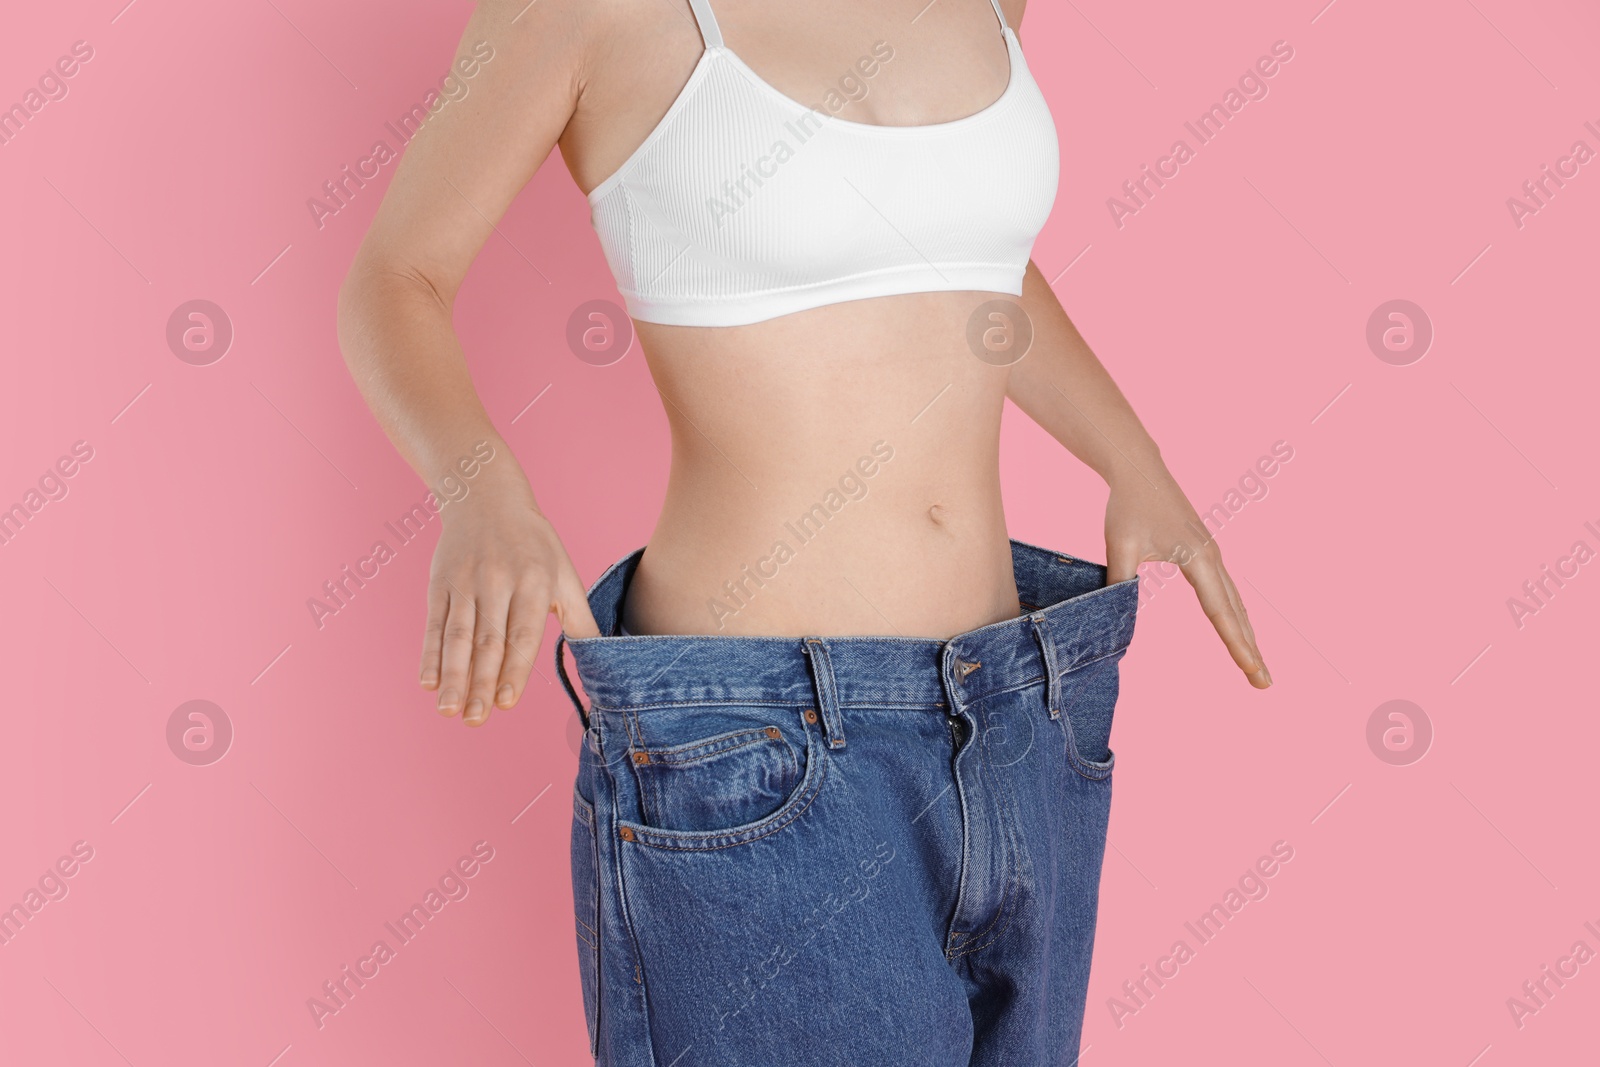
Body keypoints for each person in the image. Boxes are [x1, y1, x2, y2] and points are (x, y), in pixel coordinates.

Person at [337, 1, 1270, 1063]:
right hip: (762, 741)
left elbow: (955, 259)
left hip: (1018, 705)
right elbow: (395, 275)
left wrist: (1126, 451)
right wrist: (482, 492)